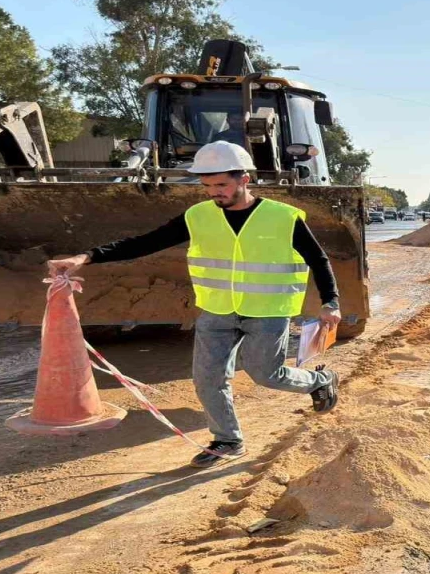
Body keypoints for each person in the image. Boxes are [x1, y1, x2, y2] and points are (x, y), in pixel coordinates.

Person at [47, 141, 341, 469]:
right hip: (216, 309)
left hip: (268, 310)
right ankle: (227, 440)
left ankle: (320, 381)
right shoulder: (197, 216)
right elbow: (147, 242)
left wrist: (331, 301)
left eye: (221, 185)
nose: (214, 193)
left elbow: (318, 258)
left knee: (266, 375)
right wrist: (85, 257)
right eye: (207, 186)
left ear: (244, 179)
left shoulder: (283, 217)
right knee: (207, 378)